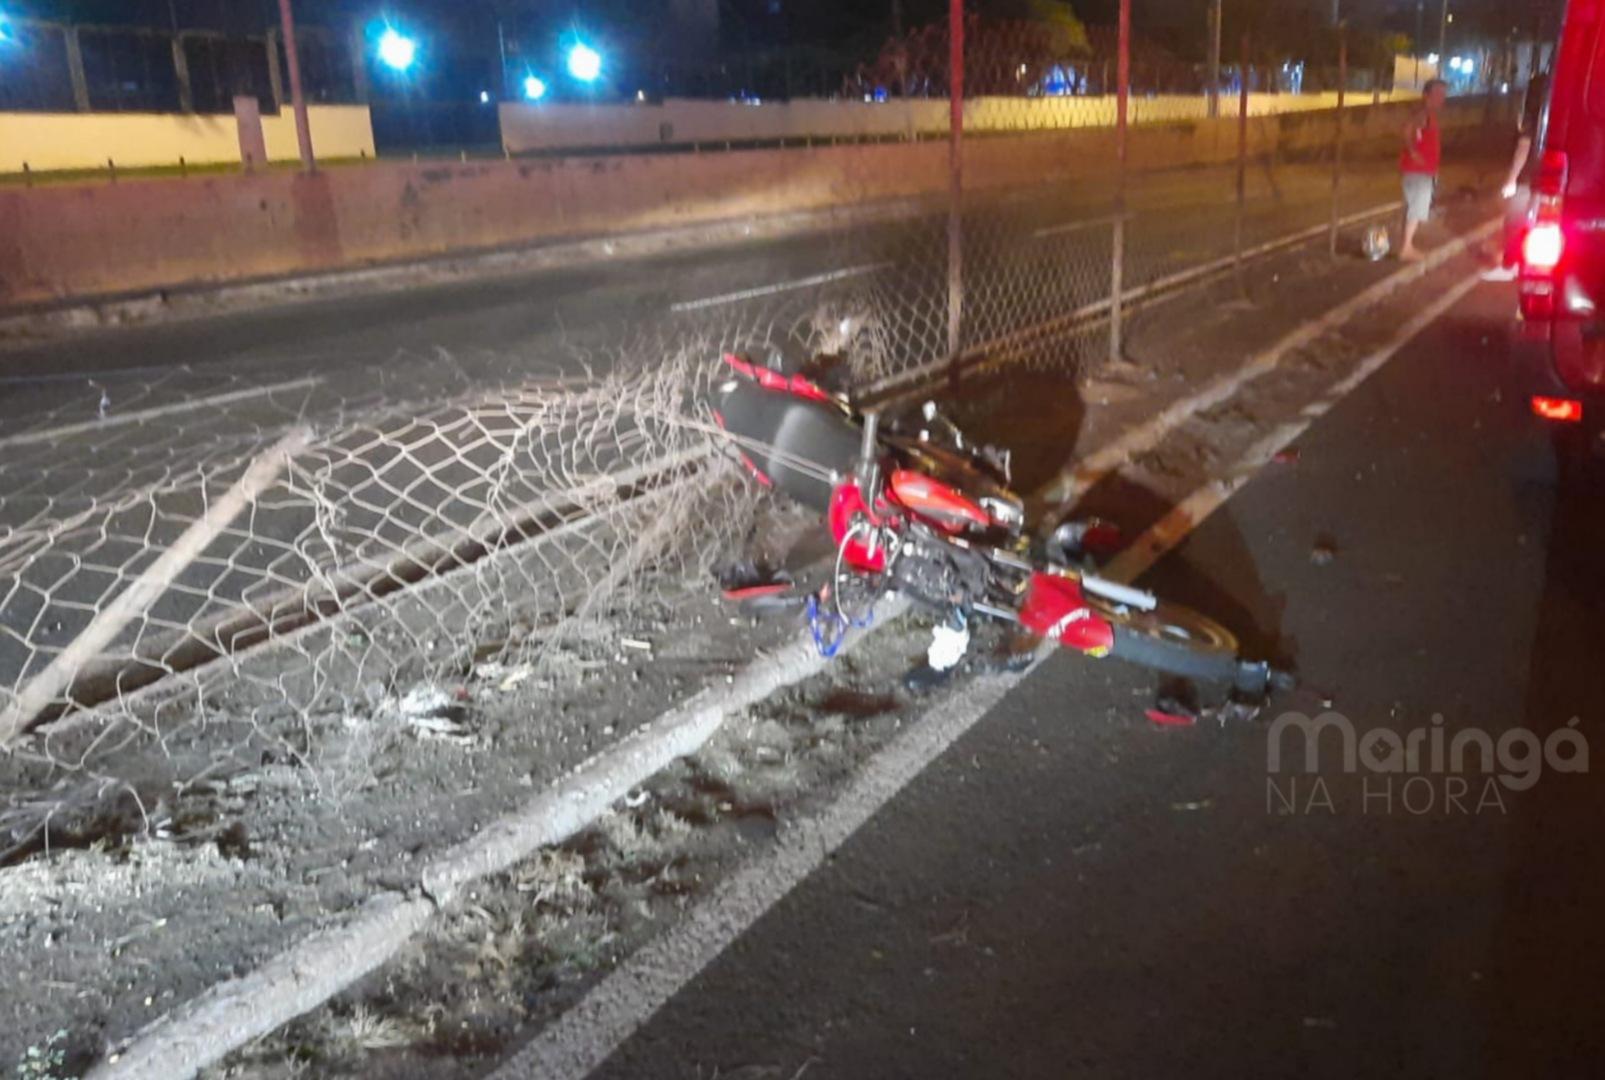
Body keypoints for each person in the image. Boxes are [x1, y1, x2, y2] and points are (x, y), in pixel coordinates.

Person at [1482, 70, 1551, 282]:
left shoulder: (1532, 117)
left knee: (1513, 223)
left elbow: (1523, 146)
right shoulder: (1555, 114)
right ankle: (1533, 267)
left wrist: (1511, 179)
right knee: (1539, 225)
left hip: (1526, 180)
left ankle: (1511, 265)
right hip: (1546, 179)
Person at [1399, 79, 1448, 263]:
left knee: (1414, 208)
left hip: (1424, 170)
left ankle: (1407, 245)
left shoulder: (1429, 115)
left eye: (1443, 94)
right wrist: (1412, 151)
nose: (1442, 98)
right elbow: (1407, 129)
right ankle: (1406, 248)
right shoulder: (1423, 113)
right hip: (1418, 171)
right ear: (1427, 95)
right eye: (1438, 94)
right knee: (1417, 209)